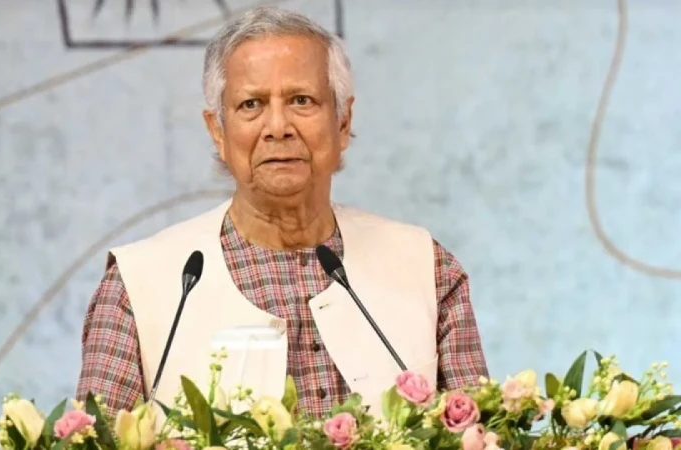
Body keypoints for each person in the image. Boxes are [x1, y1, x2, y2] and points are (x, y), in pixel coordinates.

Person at [76, 6, 488, 419]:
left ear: (343, 122)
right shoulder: (138, 286)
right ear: (218, 131)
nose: (278, 126)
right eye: (251, 104)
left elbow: (480, 434)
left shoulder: (426, 268)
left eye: (301, 100)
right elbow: (93, 441)